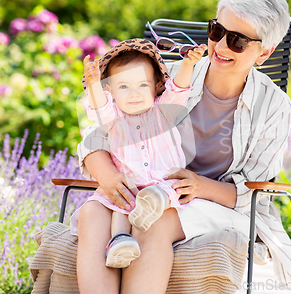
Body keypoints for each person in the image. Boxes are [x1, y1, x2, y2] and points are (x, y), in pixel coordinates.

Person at [76, 0, 291, 294]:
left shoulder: (273, 106)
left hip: (219, 206)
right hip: (148, 189)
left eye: (237, 41)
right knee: (91, 213)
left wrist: (198, 186)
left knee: (153, 220)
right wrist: (110, 177)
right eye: (216, 31)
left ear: (264, 52)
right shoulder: (171, 76)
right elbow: (97, 136)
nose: (221, 46)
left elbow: (255, 192)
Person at [71, 38, 206, 268]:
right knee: (119, 204)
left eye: (142, 85)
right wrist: (93, 82)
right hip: (130, 186)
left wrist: (188, 64)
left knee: (170, 189)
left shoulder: (163, 112)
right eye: (123, 87)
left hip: (162, 182)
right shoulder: (113, 120)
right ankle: (120, 242)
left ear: (155, 87)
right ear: (111, 91)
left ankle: (155, 202)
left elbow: (179, 88)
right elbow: (99, 106)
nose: (134, 93)